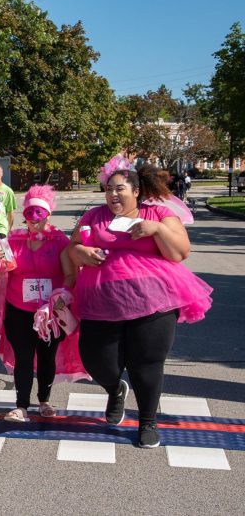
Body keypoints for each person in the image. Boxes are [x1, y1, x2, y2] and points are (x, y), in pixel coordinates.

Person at [68, 155, 212, 449]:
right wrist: (81, 252)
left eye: (119, 188)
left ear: (136, 191)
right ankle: (114, 389)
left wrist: (156, 230)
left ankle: (147, 421)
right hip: (101, 302)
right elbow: (74, 246)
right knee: (96, 360)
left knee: (146, 363)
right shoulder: (93, 216)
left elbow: (180, 252)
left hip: (154, 301)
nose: (112, 194)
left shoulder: (158, 214)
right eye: (108, 189)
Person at [0, 185, 86, 423]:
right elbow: (3, 269)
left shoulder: (59, 241)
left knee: (47, 357)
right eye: (29, 213)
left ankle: (44, 399)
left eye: (39, 213)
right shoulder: (14, 240)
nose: (34, 219)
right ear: (24, 215)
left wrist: (61, 296)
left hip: (50, 312)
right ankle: (21, 406)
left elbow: (71, 276)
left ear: (48, 214)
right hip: (18, 308)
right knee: (23, 356)